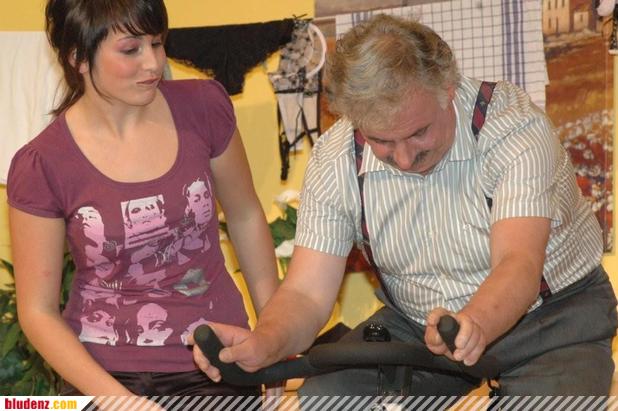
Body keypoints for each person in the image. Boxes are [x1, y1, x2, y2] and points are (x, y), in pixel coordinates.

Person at [194, 14, 618, 397]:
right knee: (328, 397)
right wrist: (264, 343)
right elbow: (306, 293)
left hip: (553, 319)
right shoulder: (337, 155)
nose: (402, 158)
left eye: (418, 133)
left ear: (448, 88)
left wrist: (474, 323)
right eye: (380, 140)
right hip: (419, 325)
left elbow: (518, 263)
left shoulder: (513, 127)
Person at [6, 0, 279, 397]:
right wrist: (118, 402)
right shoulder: (42, 164)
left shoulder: (204, 107)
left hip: (217, 359)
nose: (153, 63)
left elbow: (246, 216)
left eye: (156, 43)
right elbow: (37, 311)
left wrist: (273, 338)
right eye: (131, 49)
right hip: (103, 376)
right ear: (78, 57)